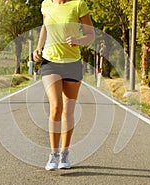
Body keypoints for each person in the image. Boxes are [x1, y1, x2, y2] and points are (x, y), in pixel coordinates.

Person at [34, 0, 94, 170]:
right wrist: (38, 48)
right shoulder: (46, 4)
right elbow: (45, 27)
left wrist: (78, 40)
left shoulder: (78, 5)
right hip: (50, 61)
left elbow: (91, 35)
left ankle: (64, 153)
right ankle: (53, 154)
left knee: (68, 111)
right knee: (56, 106)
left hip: (72, 63)